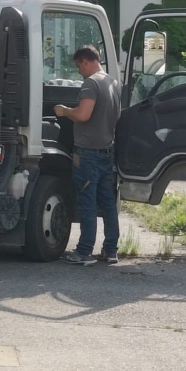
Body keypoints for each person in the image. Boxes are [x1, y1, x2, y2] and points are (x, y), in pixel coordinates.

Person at [52, 44, 122, 266]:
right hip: (106, 150)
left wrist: (64, 111)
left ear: (86, 61)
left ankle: (84, 252)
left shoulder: (91, 83)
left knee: (87, 203)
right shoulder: (112, 82)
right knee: (108, 203)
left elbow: (83, 115)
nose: (79, 71)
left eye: (78, 65)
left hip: (87, 153)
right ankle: (111, 250)